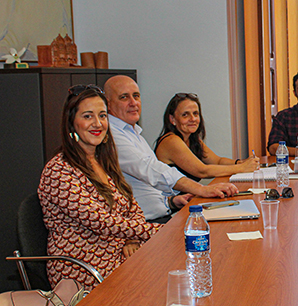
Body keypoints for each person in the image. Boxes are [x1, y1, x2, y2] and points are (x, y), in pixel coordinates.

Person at [38, 85, 162, 291]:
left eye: (102, 116)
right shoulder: (58, 170)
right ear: (71, 123)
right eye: (88, 116)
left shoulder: (102, 161)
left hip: (120, 256)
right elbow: (101, 222)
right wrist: (163, 231)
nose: (98, 123)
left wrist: (132, 238)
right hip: (83, 269)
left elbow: (132, 207)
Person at [104, 75, 237, 223]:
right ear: (108, 104)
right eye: (124, 97)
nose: (133, 103)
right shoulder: (112, 136)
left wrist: (171, 201)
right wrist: (202, 189)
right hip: (145, 223)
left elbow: (145, 188)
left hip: (162, 213)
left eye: (136, 96)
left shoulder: (133, 133)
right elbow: (151, 170)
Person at [155, 93, 259, 180]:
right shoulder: (171, 141)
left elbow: (217, 161)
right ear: (172, 119)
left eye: (195, 114)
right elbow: (202, 171)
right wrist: (241, 168)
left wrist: (241, 162)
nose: (193, 119)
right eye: (185, 115)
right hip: (172, 199)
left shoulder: (192, 139)